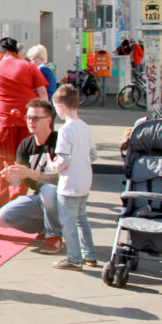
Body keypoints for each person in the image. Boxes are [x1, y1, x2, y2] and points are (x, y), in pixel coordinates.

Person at [0, 37, 49, 210]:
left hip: (3, 123)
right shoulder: (29, 66)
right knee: (23, 160)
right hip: (28, 121)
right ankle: (17, 199)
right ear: (16, 53)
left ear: (0, 53)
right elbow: (43, 95)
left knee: (2, 161)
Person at [0, 98, 63, 254]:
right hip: (41, 198)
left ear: (49, 120)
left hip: (63, 198)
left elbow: (60, 179)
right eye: (28, 117)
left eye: (36, 118)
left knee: (48, 190)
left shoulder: (59, 141)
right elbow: (20, 180)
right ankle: (46, 228)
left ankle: (55, 236)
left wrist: (30, 173)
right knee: (2, 218)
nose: (31, 121)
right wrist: (12, 178)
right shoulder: (26, 145)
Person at [49, 85, 98, 270]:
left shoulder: (65, 130)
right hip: (84, 181)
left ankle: (74, 258)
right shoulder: (85, 127)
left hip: (69, 184)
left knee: (68, 222)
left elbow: (63, 160)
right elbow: (93, 155)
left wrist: (51, 167)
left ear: (60, 106)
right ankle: (89, 255)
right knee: (81, 219)